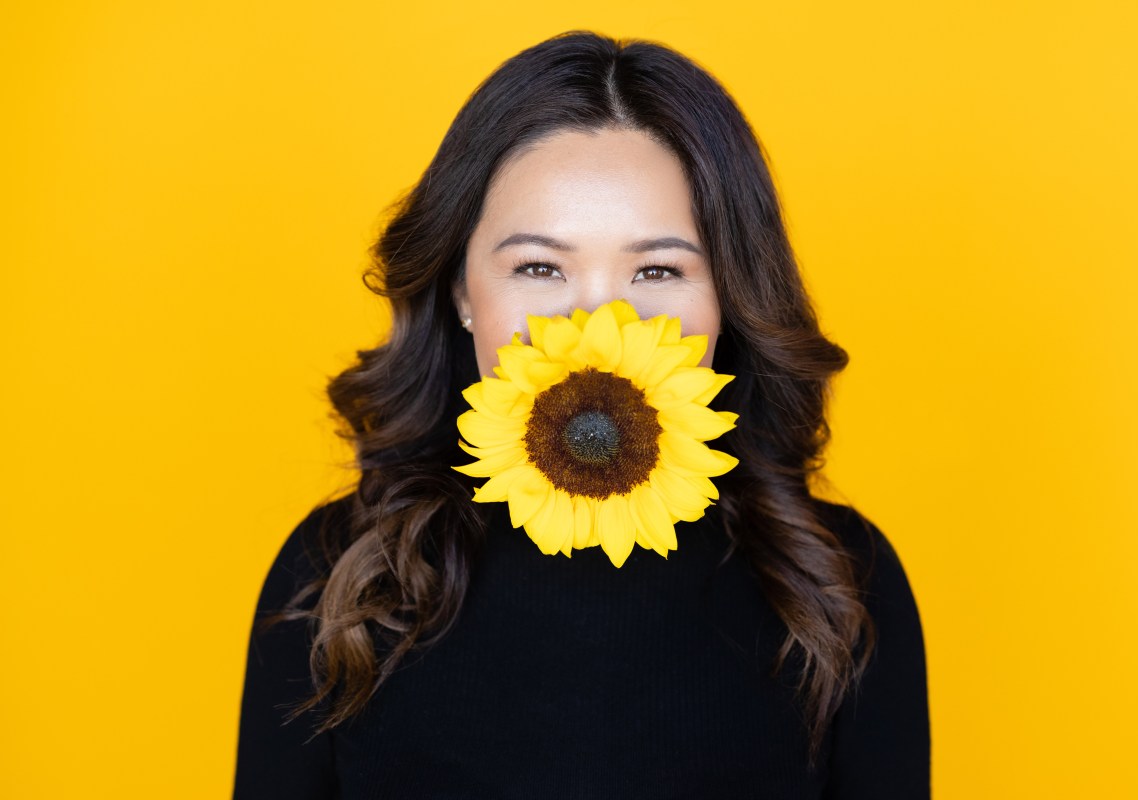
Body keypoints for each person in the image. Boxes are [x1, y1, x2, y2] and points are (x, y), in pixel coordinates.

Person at [233, 30, 929, 799]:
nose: (599, 327)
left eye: (658, 269)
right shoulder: (337, 579)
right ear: (463, 292)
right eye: (538, 267)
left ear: (730, 296)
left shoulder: (840, 589)